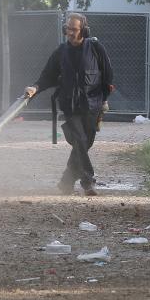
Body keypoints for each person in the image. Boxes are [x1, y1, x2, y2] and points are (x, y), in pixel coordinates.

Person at [25, 13, 113, 196]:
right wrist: (35, 88)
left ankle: (66, 181)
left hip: (92, 105)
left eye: (74, 29)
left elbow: (108, 76)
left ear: (84, 30)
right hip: (70, 106)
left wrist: (104, 100)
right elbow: (47, 76)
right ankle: (88, 181)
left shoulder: (96, 48)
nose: (69, 32)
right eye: (67, 28)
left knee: (84, 144)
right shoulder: (61, 52)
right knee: (79, 140)